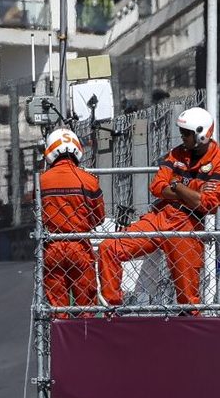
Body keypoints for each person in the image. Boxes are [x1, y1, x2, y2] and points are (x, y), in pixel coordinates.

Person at [99, 106, 220, 307]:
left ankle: (188, 324)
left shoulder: (217, 161)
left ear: (201, 134)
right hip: (160, 215)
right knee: (108, 248)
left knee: (187, 295)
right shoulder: (176, 154)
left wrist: (176, 185)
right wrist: (191, 189)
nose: (182, 137)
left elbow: (207, 204)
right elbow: (156, 186)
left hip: (187, 223)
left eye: (186, 134)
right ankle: (113, 307)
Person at [38, 128, 104, 310]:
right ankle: (85, 336)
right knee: (87, 306)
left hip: (52, 246)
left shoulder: (41, 181)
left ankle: (59, 337)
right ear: (77, 149)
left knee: (57, 307)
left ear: (50, 151)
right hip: (80, 245)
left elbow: (38, 217)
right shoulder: (89, 180)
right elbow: (99, 218)